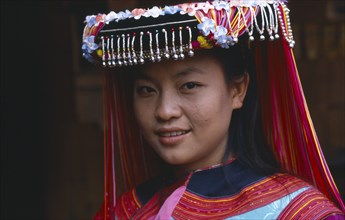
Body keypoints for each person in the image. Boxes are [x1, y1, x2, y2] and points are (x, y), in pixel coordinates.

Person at [81, 0, 345, 219]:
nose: (164, 111)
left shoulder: (297, 212)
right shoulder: (126, 211)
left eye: (189, 85)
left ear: (237, 90)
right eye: (146, 90)